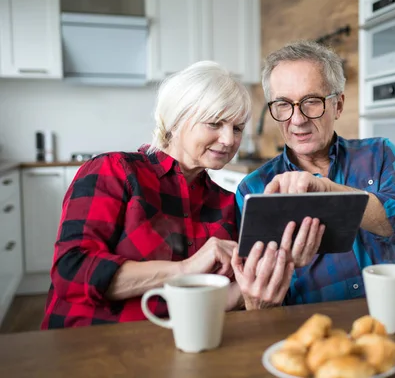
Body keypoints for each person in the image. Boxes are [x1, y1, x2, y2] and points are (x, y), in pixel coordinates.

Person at [41, 61, 323, 329]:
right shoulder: (114, 171)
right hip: (89, 346)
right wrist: (186, 270)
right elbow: (71, 272)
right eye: (214, 123)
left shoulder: (227, 203)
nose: (229, 140)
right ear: (175, 121)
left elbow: (223, 301)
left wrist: (274, 271)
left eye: (237, 128)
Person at [236, 41, 395, 305]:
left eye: (311, 102)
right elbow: (259, 292)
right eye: (283, 104)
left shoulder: (378, 153)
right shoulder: (253, 189)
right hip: (310, 331)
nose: (298, 119)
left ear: (338, 105)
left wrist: (325, 189)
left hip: (392, 317)